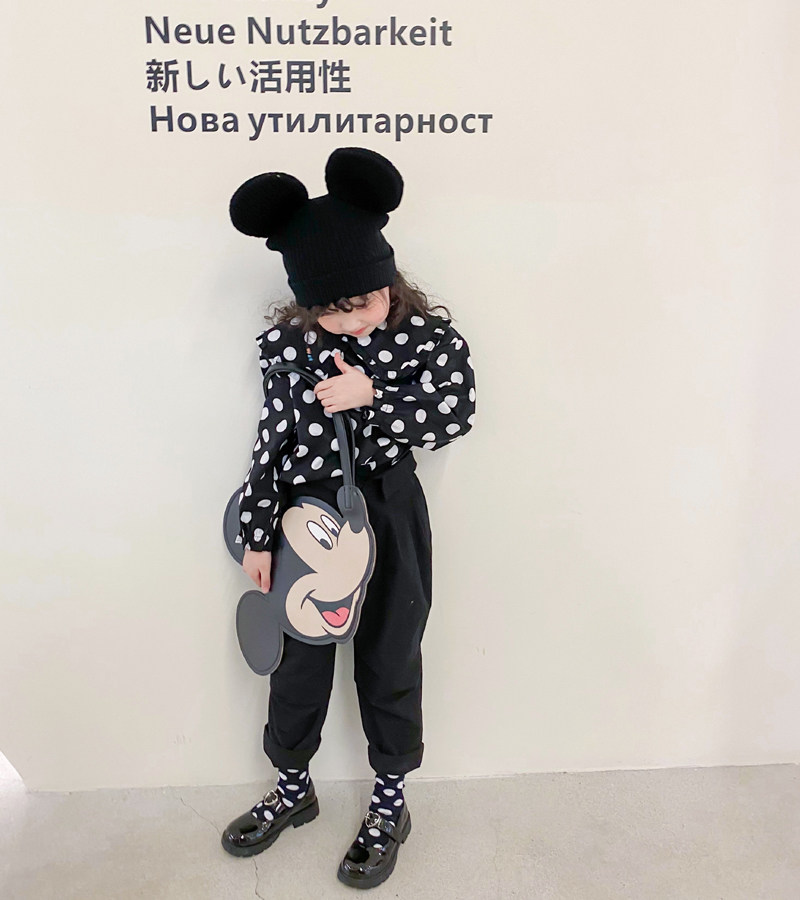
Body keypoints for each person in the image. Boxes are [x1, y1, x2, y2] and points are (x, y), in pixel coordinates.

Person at [220, 146, 477, 890]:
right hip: (304, 519)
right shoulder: (291, 349)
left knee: (391, 653)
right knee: (296, 660)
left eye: (364, 301)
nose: (352, 319)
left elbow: (456, 411)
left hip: (387, 511)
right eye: (332, 309)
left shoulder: (428, 340)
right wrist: (259, 533)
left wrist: (374, 398)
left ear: (388, 280)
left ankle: (390, 800)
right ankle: (292, 788)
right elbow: (271, 443)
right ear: (307, 304)